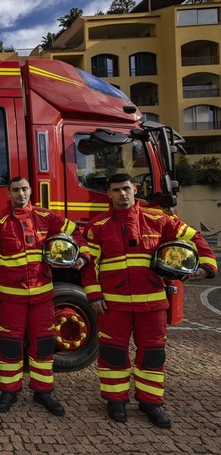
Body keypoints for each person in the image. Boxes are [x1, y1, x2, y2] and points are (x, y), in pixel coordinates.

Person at [82, 173, 217, 428]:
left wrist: (208, 266)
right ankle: (116, 401)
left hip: (152, 302)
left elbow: (194, 238)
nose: (122, 194)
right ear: (108, 194)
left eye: (125, 189)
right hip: (114, 304)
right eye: (116, 190)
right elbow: (90, 266)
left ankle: (151, 403)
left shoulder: (159, 219)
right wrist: (94, 295)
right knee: (112, 354)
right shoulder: (97, 226)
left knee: (153, 355)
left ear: (134, 189)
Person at [0, 176, 88, 416]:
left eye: (25, 189)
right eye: (16, 190)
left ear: (30, 191)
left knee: (44, 343)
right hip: (10, 296)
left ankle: (43, 391)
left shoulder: (47, 216)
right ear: (9, 193)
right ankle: (8, 391)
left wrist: (81, 256)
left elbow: (78, 232)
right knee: (9, 344)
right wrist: (5, 270)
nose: (21, 193)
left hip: (41, 295)